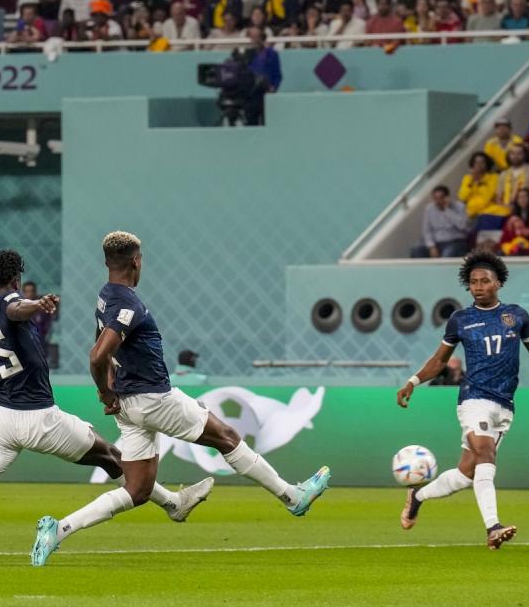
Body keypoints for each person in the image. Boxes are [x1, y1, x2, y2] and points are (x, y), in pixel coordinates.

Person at [0, 250, 213, 564]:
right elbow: (16, 309)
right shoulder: (11, 303)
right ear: (15, 279)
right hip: (40, 418)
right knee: (112, 456)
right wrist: (38, 304)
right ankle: (172, 505)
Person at [30, 232, 331, 567]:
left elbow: (101, 346)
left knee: (138, 490)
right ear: (136, 261)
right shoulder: (129, 304)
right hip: (154, 398)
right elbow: (99, 355)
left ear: (107, 263)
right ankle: (293, 497)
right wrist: (104, 388)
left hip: (129, 406)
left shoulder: (106, 296)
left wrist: (112, 385)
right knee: (227, 438)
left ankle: (59, 530)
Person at [397, 251, 529, 550]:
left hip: (505, 403)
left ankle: (417, 496)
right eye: (473, 282)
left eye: (485, 281)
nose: (479, 286)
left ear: (498, 283)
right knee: (486, 455)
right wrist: (413, 381)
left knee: (466, 474)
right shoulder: (461, 319)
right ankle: (493, 527)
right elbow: (439, 360)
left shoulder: (516, 316)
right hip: (473, 398)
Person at [411, 184, 469, 257]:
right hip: (436, 243)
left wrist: (447, 210)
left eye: (440, 198)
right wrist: (431, 246)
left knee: (447, 255)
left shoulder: (459, 206)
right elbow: (426, 230)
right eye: (435, 198)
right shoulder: (429, 209)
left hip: (455, 242)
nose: (438, 201)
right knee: (416, 251)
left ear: (447, 197)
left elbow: (463, 226)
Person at [500, 187, 529, 255]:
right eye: (520, 197)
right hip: (514, 246)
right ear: (516, 200)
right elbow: (504, 239)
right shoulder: (510, 217)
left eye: (525, 196)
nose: (522, 199)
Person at [458, 152, 499, 218]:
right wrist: (471, 182)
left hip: (489, 211)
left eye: (482, 162)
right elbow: (462, 197)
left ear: (486, 164)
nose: (479, 165)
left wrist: (480, 181)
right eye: (476, 162)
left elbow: (488, 197)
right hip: (471, 213)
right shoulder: (467, 178)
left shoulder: (494, 177)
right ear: (472, 165)